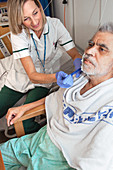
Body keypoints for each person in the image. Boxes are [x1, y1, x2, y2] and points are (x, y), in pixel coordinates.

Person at [1, 22, 113, 170]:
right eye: (91, 44)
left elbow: (98, 160)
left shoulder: (108, 104)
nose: (90, 51)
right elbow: (56, 98)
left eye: (102, 49)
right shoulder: (80, 77)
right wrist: (25, 107)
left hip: (62, 157)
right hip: (42, 137)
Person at [0, 0, 81, 134]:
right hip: (21, 76)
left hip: (44, 79)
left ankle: (49, 136)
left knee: (25, 123)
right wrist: (56, 77)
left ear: (40, 8)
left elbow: (74, 53)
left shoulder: (55, 25)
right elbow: (32, 75)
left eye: (35, 13)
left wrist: (78, 63)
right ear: (20, 20)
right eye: (26, 19)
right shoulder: (18, 34)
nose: (34, 22)